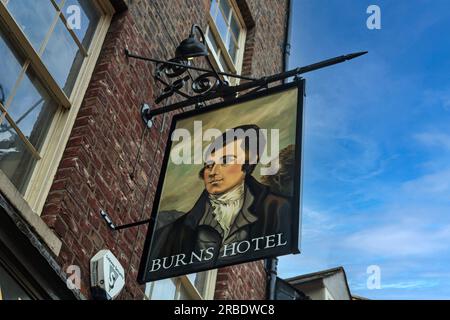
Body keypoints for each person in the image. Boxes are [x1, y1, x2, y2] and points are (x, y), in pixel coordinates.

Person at [150, 124, 292, 270]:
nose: (213, 172)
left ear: (248, 163)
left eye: (225, 160)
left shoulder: (276, 210)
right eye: (209, 164)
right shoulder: (173, 232)